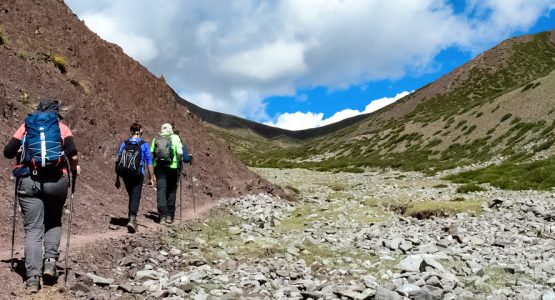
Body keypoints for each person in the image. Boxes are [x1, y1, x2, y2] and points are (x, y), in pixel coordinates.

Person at [3, 100, 79, 293]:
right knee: (53, 222)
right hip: (57, 182)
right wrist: (73, 170)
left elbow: (8, 152)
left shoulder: (27, 126)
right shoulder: (62, 128)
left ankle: (32, 278)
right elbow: (72, 154)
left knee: (33, 229)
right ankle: (50, 263)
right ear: (56, 113)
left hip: (29, 181)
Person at [115, 123, 154, 233]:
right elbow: (149, 163)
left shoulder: (124, 143)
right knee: (135, 195)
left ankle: (131, 217)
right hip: (137, 174)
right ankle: (132, 219)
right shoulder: (144, 145)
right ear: (139, 133)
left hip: (125, 174)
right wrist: (152, 177)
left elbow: (118, 161)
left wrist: (117, 178)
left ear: (131, 132)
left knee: (132, 195)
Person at [151, 123, 183, 224]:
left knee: (161, 191)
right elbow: (180, 152)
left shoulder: (156, 138)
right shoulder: (175, 138)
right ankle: (170, 216)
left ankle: (162, 217)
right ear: (171, 129)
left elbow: (152, 152)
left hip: (159, 167)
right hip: (173, 167)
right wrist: (178, 162)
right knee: (171, 191)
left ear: (161, 129)